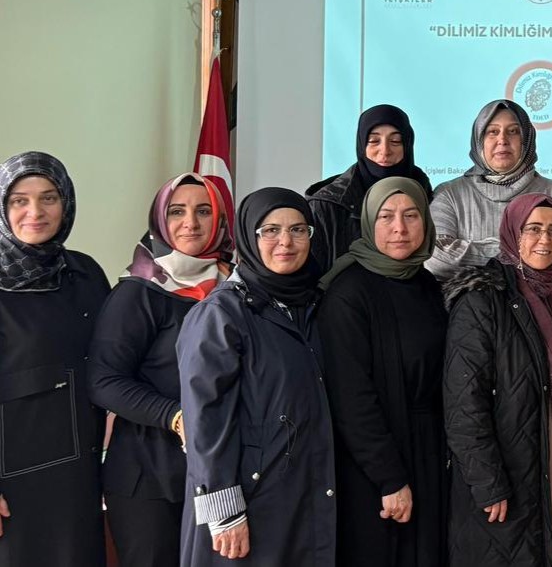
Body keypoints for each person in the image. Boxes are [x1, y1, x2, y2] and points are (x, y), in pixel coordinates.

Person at [177, 188, 335, 566]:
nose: (286, 242)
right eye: (271, 231)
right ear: (249, 237)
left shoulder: (314, 305)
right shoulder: (222, 313)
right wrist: (225, 513)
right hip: (246, 503)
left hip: (300, 494)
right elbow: (205, 421)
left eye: (298, 230)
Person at [444, 193, 552, 567]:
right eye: (533, 229)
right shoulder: (482, 300)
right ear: (513, 232)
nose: (545, 240)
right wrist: (487, 481)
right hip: (510, 465)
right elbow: (464, 403)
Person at [90, 173, 232, 567]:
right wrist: (174, 416)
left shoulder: (237, 287)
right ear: (159, 220)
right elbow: (103, 380)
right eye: (177, 212)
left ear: (221, 220)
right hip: (148, 477)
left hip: (221, 473)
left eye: (204, 211)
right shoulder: (139, 291)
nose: (191, 223)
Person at [317, 178, 448, 567]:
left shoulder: (425, 283)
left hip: (427, 449)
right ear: (369, 222)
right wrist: (390, 478)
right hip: (375, 464)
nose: (399, 228)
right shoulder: (347, 293)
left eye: (411, 216)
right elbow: (351, 399)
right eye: (386, 217)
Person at [0, 152, 110, 567]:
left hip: (81, 472)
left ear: (66, 202)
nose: (35, 212)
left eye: (49, 198)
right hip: (14, 478)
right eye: (19, 200)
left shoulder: (85, 273)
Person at [427, 100, 552, 284]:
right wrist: (524, 250)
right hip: (469, 302)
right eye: (492, 132)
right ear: (479, 140)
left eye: (513, 131)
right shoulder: (450, 194)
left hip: (540, 301)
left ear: (526, 140)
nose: (502, 140)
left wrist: (471, 254)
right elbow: (435, 258)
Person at [307, 104, 432, 269]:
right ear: (361, 144)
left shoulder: (424, 192)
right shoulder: (328, 203)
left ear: (408, 145)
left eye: (395, 141)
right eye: (374, 141)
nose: (385, 150)